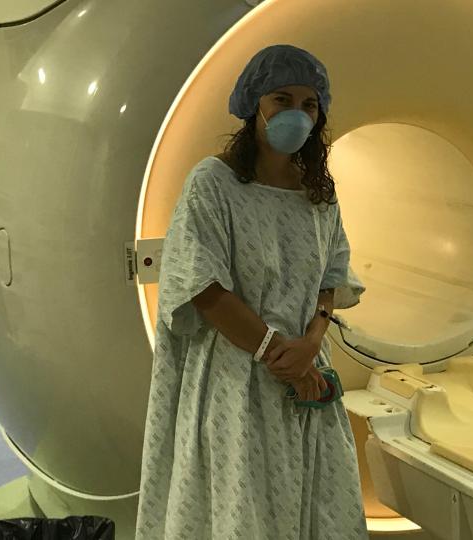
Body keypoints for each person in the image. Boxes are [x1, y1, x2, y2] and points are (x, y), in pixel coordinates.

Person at [135, 44, 368, 539]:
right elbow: (203, 287)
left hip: (305, 373)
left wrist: (310, 344)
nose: (296, 115)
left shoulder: (319, 196)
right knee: (245, 512)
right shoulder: (213, 185)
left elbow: (332, 276)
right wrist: (273, 351)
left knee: (322, 508)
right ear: (253, 106)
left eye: (309, 105)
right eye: (282, 99)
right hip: (237, 379)